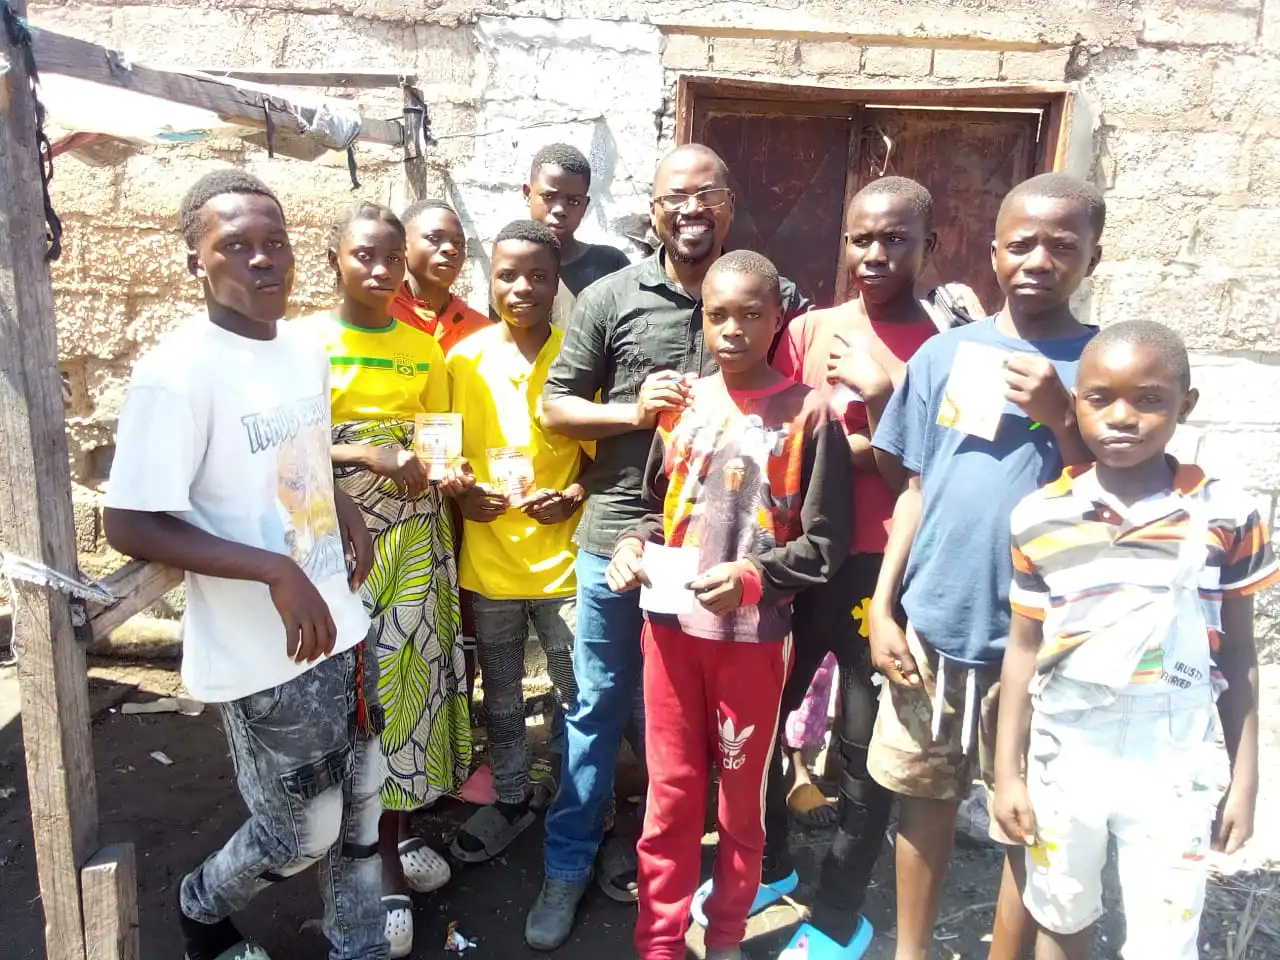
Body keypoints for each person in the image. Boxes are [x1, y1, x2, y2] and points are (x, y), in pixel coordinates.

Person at [525, 143, 811, 950]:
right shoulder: (611, 294)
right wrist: (633, 411)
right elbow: (554, 407)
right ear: (650, 207)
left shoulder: (768, 293)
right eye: (672, 196)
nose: (690, 209)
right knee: (598, 710)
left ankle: (674, 877)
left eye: (706, 195)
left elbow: (790, 418)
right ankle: (568, 866)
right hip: (624, 538)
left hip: (728, 557)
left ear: (729, 203)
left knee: (698, 741)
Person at [102, 170, 385, 960]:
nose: (264, 261)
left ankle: (357, 943)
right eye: (236, 247)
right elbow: (130, 520)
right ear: (196, 260)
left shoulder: (301, 349)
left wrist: (343, 502)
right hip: (265, 648)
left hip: (341, 617)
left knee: (363, 802)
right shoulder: (177, 371)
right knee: (303, 827)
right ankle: (201, 907)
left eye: (276, 243)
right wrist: (271, 570)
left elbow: (299, 454)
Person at [699, 175, 948, 960]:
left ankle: (841, 911)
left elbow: (945, 463)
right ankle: (767, 863)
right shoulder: (808, 330)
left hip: (885, 566)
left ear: (927, 246)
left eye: (895, 239)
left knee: (863, 744)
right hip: (796, 558)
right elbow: (784, 436)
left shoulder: (944, 349)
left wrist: (886, 400)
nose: (874, 254)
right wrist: (862, 450)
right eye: (860, 238)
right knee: (762, 718)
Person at [867, 172, 1105, 960]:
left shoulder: (1104, 371)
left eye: (1062, 246)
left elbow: (1113, 505)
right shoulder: (946, 355)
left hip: (1043, 649)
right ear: (993, 252)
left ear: (1092, 258)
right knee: (924, 803)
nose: (1039, 259)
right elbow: (915, 487)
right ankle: (912, 951)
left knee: (1022, 815)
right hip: (936, 622)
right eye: (1021, 243)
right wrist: (884, 605)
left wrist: (1064, 417)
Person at [994, 320, 1275, 960]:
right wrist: (1007, 773)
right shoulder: (1042, 516)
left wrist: (1245, 776)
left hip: (1174, 754)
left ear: (1186, 405)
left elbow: (1238, 653)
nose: (1122, 417)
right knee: (1062, 910)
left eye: (1149, 399)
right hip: (1068, 749)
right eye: (1100, 399)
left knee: (1165, 931)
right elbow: (1024, 650)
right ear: (1074, 404)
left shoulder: (1226, 513)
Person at [608, 250, 852, 960]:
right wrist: (631, 545)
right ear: (702, 319)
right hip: (670, 633)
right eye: (719, 315)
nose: (734, 330)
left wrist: (754, 578)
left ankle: (725, 941)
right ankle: (658, 943)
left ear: (779, 318)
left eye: (752, 315)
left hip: (751, 641)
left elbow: (827, 545)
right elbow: (656, 512)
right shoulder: (683, 407)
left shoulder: (809, 413)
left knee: (740, 808)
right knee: (671, 799)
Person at [297, 201, 471, 959]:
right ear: (334, 258)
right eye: (364, 255)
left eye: (391, 258)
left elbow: (436, 440)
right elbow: (282, 446)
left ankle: (392, 848)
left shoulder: (420, 348)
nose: (380, 270)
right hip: (336, 540)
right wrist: (365, 456)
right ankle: (357, 871)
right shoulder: (303, 344)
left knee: (407, 694)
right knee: (349, 700)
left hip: (416, 538)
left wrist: (451, 468)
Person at [441, 220, 589, 862]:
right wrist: (458, 491)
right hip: (491, 564)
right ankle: (508, 798)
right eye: (508, 274)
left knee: (578, 693)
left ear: (558, 285)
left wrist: (576, 497)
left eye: (538, 275)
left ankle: (578, 805)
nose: (522, 286)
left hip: (564, 565)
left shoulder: (580, 356)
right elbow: (439, 449)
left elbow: (599, 458)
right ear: (489, 279)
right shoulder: (462, 359)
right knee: (499, 697)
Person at [524, 142, 630, 324]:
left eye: (573, 201)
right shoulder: (510, 267)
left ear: (585, 206)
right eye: (548, 196)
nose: (560, 210)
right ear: (528, 194)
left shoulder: (610, 265)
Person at [390, 199, 491, 355]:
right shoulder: (379, 318)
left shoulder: (482, 332)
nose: (451, 249)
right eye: (434, 238)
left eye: (459, 243)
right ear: (404, 246)